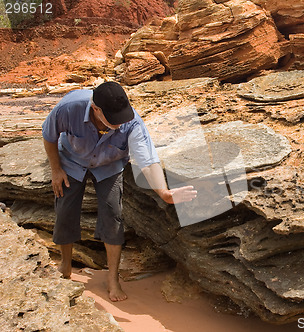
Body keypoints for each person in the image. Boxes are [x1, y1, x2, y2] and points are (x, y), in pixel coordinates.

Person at [42, 81, 197, 302]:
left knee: (113, 215)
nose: (121, 122)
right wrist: (56, 170)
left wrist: (164, 192)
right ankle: (65, 265)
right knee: (65, 209)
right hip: (72, 159)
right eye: (113, 119)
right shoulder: (69, 107)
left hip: (109, 164)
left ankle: (113, 279)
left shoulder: (131, 121)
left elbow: (147, 160)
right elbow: (49, 135)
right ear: (95, 109)